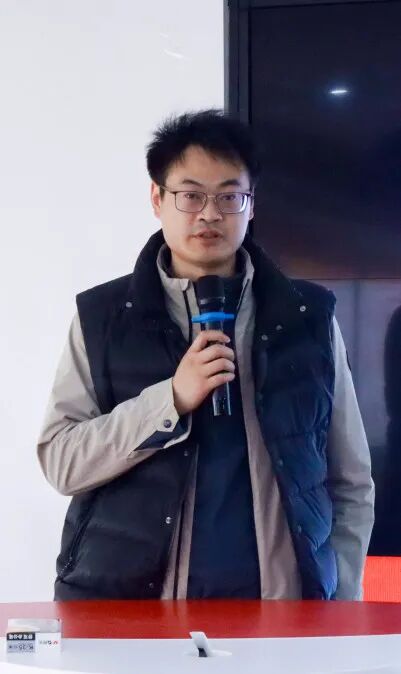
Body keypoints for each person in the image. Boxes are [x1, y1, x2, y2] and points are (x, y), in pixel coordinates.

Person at [37, 109, 374, 601]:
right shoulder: (103, 317)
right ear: (158, 199)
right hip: (133, 609)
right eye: (191, 195)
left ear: (251, 205)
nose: (210, 214)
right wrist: (170, 399)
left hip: (278, 609)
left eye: (229, 196)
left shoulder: (308, 317)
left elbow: (351, 480)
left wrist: (337, 599)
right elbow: (61, 460)